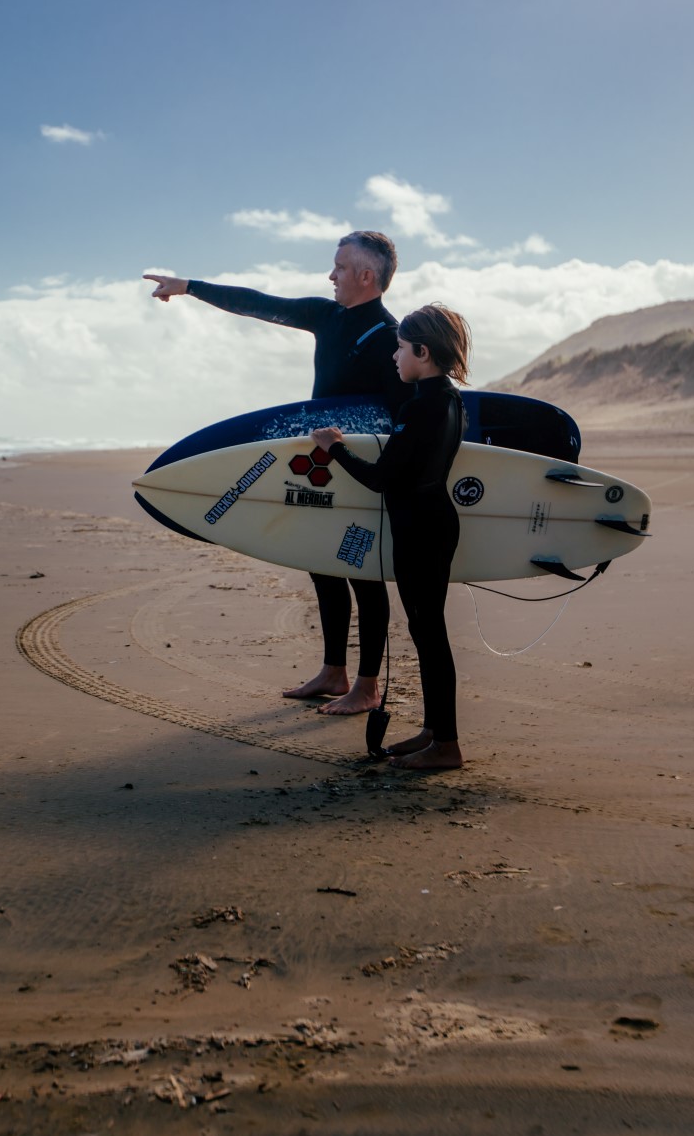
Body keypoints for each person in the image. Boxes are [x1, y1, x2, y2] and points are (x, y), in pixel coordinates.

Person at [144, 232, 411, 716]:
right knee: (320, 561)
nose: (331, 276)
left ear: (366, 276)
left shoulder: (389, 338)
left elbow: (400, 418)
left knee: (363, 575)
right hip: (322, 464)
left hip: (362, 469)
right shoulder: (327, 317)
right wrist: (189, 286)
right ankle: (334, 671)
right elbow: (261, 304)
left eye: (340, 267)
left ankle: (367, 685)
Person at [310, 303, 472, 771]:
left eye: (400, 349)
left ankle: (447, 746)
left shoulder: (420, 406)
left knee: (430, 634)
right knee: (427, 633)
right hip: (431, 522)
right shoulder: (449, 398)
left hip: (420, 529)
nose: (394, 357)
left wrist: (334, 448)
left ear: (422, 351)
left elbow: (383, 478)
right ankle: (434, 732)